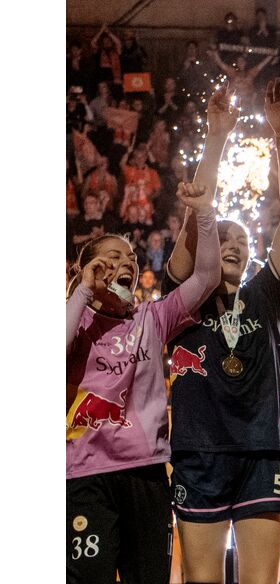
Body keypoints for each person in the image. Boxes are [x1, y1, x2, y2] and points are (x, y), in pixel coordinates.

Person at [66, 109, 221, 584]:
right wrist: (82, 290)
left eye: (130, 258)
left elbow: (206, 276)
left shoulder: (153, 318)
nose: (125, 263)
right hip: (84, 473)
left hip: (148, 472)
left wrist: (205, 213)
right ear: (88, 269)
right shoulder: (75, 317)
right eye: (111, 258)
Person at [163, 81, 280, 584]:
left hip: (261, 450)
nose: (233, 244)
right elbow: (194, 216)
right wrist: (217, 137)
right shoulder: (184, 295)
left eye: (242, 240)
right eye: (223, 236)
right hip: (199, 450)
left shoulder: (263, 295)